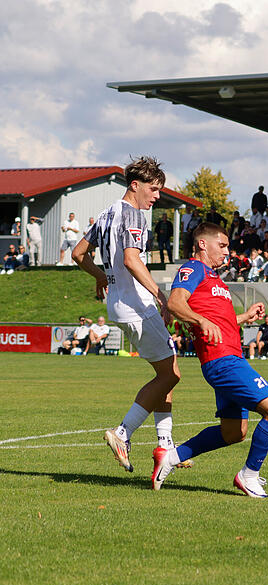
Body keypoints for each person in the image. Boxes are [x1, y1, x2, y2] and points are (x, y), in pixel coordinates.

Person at [155, 221, 268, 497]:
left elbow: (220, 323)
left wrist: (244, 317)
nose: (226, 251)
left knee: (233, 432)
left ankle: (169, 458)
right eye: (222, 245)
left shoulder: (216, 281)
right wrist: (200, 321)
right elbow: (175, 303)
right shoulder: (192, 269)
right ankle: (248, 475)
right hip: (223, 362)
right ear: (203, 244)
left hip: (229, 358)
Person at [72, 156, 184, 473]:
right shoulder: (133, 215)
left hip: (118, 305)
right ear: (135, 185)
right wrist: (161, 296)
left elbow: (78, 254)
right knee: (170, 373)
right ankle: (123, 433)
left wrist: (99, 277)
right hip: (137, 304)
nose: (158, 196)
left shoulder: (107, 214)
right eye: (154, 188)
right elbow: (132, 261)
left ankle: (165, 444)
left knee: (167, 369)